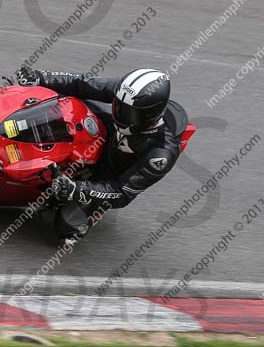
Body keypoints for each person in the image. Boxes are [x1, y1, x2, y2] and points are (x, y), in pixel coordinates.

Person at [15, 66, 188, 246]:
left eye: (130, 112)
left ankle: (93, 211)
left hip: (111, 174)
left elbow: (122, 193)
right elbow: (81, 83)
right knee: (60, 106)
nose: (121, 113)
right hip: (106, 133)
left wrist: (78, 189)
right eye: (119, 106)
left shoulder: (160, 153)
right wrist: (41, 77)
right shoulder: (124, 92)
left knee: (66, 232)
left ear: (150, 114)